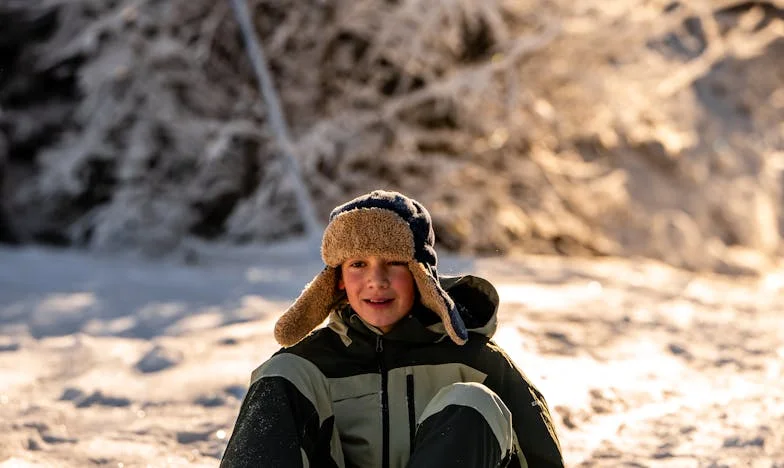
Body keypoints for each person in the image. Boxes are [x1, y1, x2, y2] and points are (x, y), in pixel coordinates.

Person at [220, 190, 564, 468]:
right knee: (281, 372)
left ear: (420, 275)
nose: (377, 280)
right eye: (358, 264)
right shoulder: (308, 367)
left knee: (473, 400)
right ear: (337, 280)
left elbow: (540, 458)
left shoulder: (478, 363)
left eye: (394, 262)